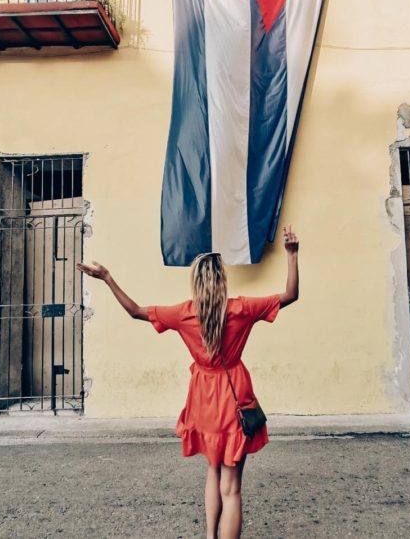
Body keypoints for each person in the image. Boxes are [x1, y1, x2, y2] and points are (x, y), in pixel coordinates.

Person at [76, 225, 299, 539]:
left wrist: (107, 278)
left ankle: (210, 536)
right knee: (231, 489)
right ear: (222, 280)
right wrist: (292, 255)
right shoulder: (241, 308)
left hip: (203, 402)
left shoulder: (184, 313)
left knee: (212, 469)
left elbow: (135, 311)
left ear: (196, 281)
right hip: (234, 400)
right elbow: (290, 295)